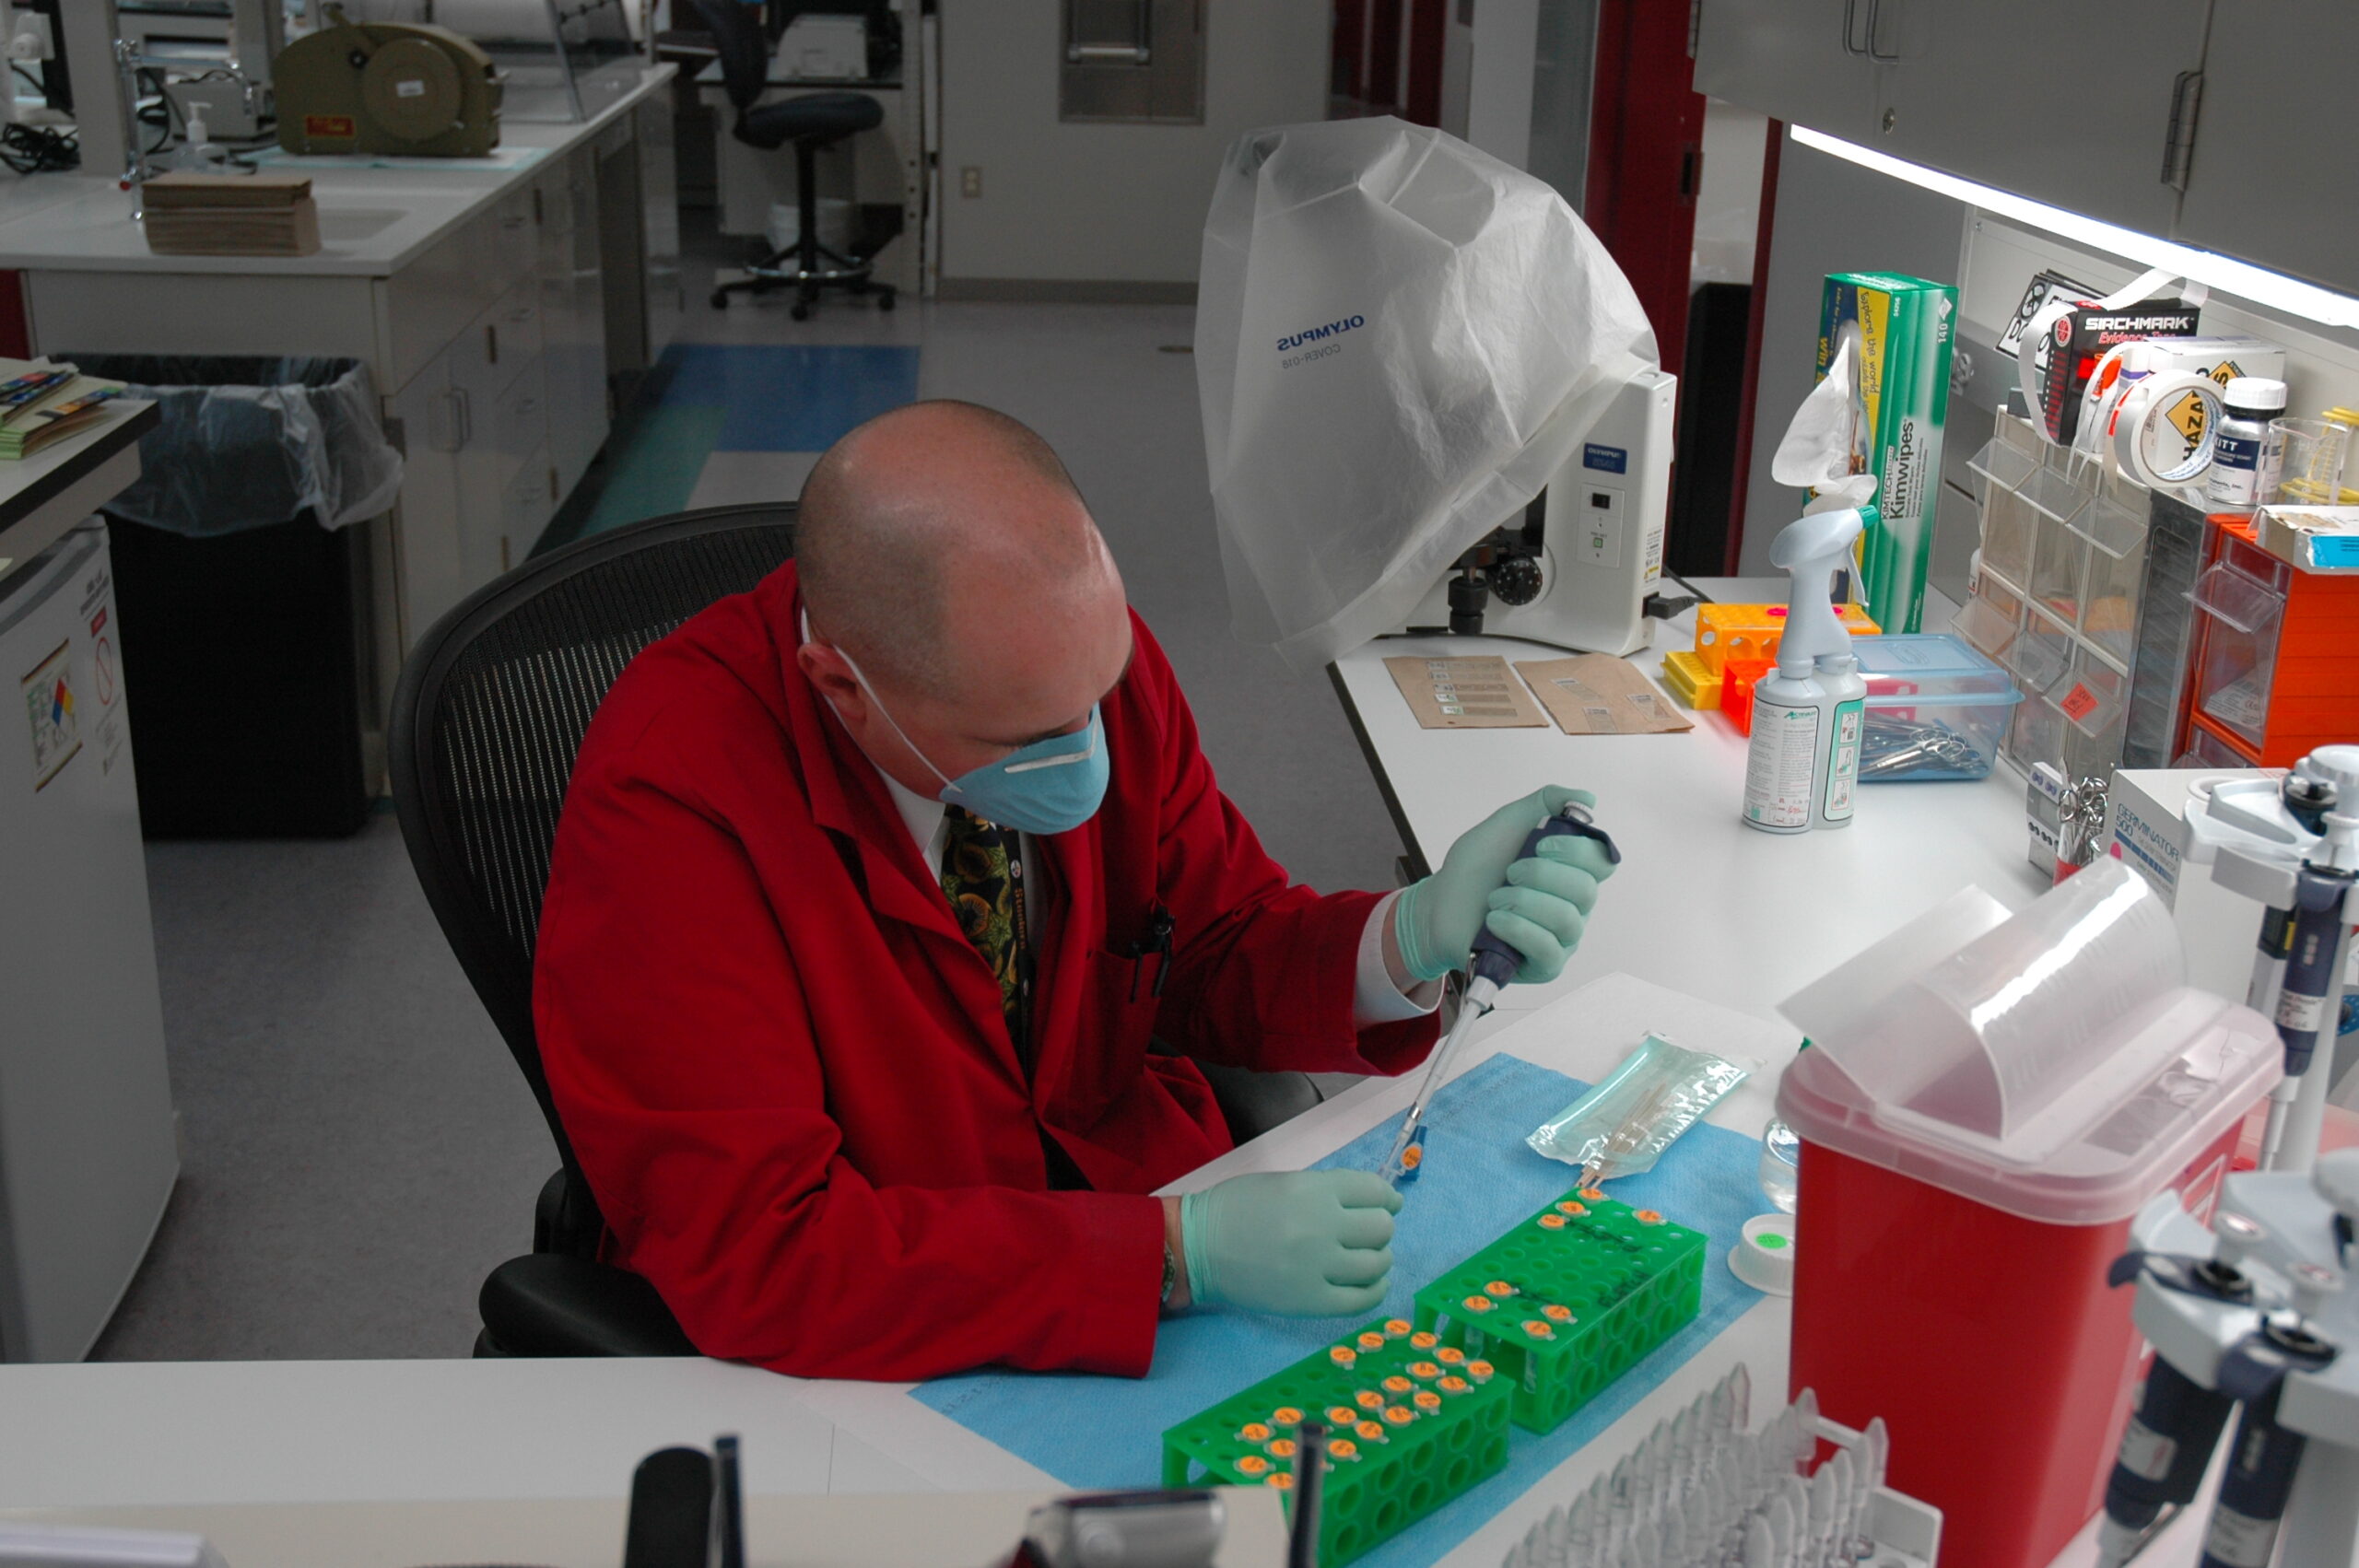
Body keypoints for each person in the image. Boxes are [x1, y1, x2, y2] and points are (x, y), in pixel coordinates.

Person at [534, 400, 1615, 1380]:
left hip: (1125, 1201)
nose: (1088, 751)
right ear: (842, 689)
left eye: (1097, 693)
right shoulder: (671, 797)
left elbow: (1210, 937)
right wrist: (1172, 1257)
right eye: (1027, 737)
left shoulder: (1078, 663)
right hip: (893, 1325)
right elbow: (766, 1253)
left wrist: (1403, 939)